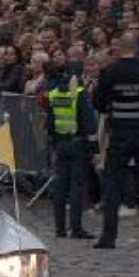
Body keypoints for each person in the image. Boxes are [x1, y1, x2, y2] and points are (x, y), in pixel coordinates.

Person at [92, 33, 139, 249]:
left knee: (114, 183)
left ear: (118, 48)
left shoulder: (110, 72)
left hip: (119, 132)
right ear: (137, 48)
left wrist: (113, 107)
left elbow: (98, 101)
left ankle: (108, 236)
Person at [47, 70, 97, 239]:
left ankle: (59, 229)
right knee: (77, 187)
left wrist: (54, 144)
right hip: (77, 144)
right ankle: (76, 228)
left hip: (60, 144)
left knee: (61, 187)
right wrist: (93, 148)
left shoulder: (53, 94)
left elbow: (50, 123)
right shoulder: (79, 95)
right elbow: (90, 124)